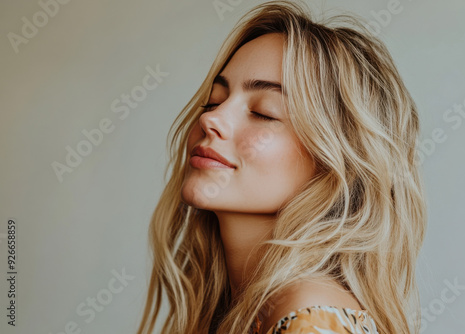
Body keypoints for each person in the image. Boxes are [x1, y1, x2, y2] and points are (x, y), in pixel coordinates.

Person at [136, 1, 427, 333]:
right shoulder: (254, 310)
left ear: (335, 165)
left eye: (263, 112)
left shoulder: (310, 320)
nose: (210, 118)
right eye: (214, 100)